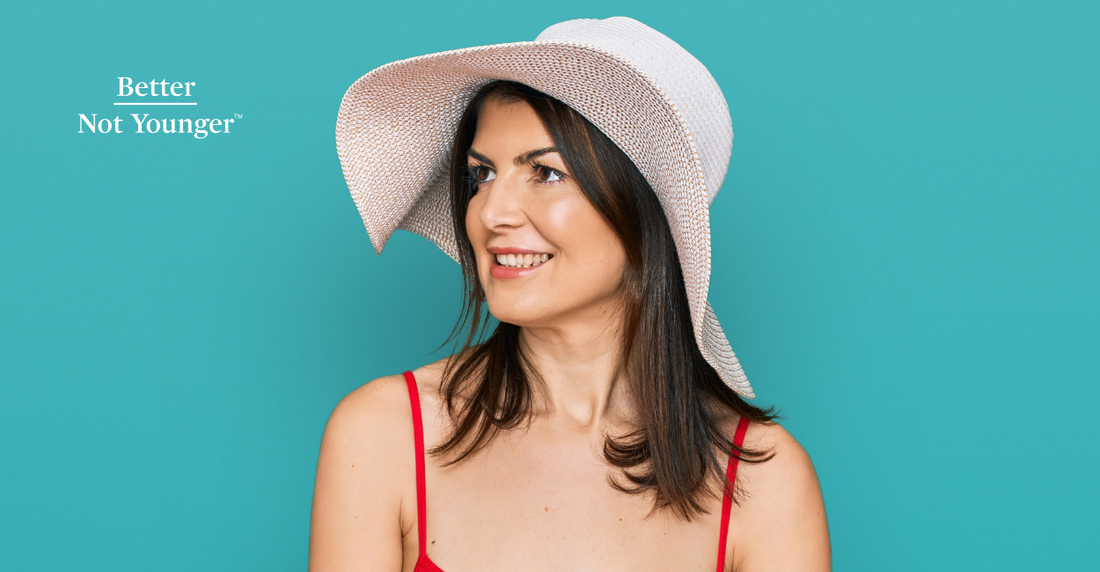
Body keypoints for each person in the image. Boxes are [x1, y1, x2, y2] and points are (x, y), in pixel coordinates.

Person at [311, 17, 830, 572]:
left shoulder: (760, 478)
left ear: (644, 211)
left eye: (546, 172)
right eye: (480, 175)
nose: (491, 212)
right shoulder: (381, 435)